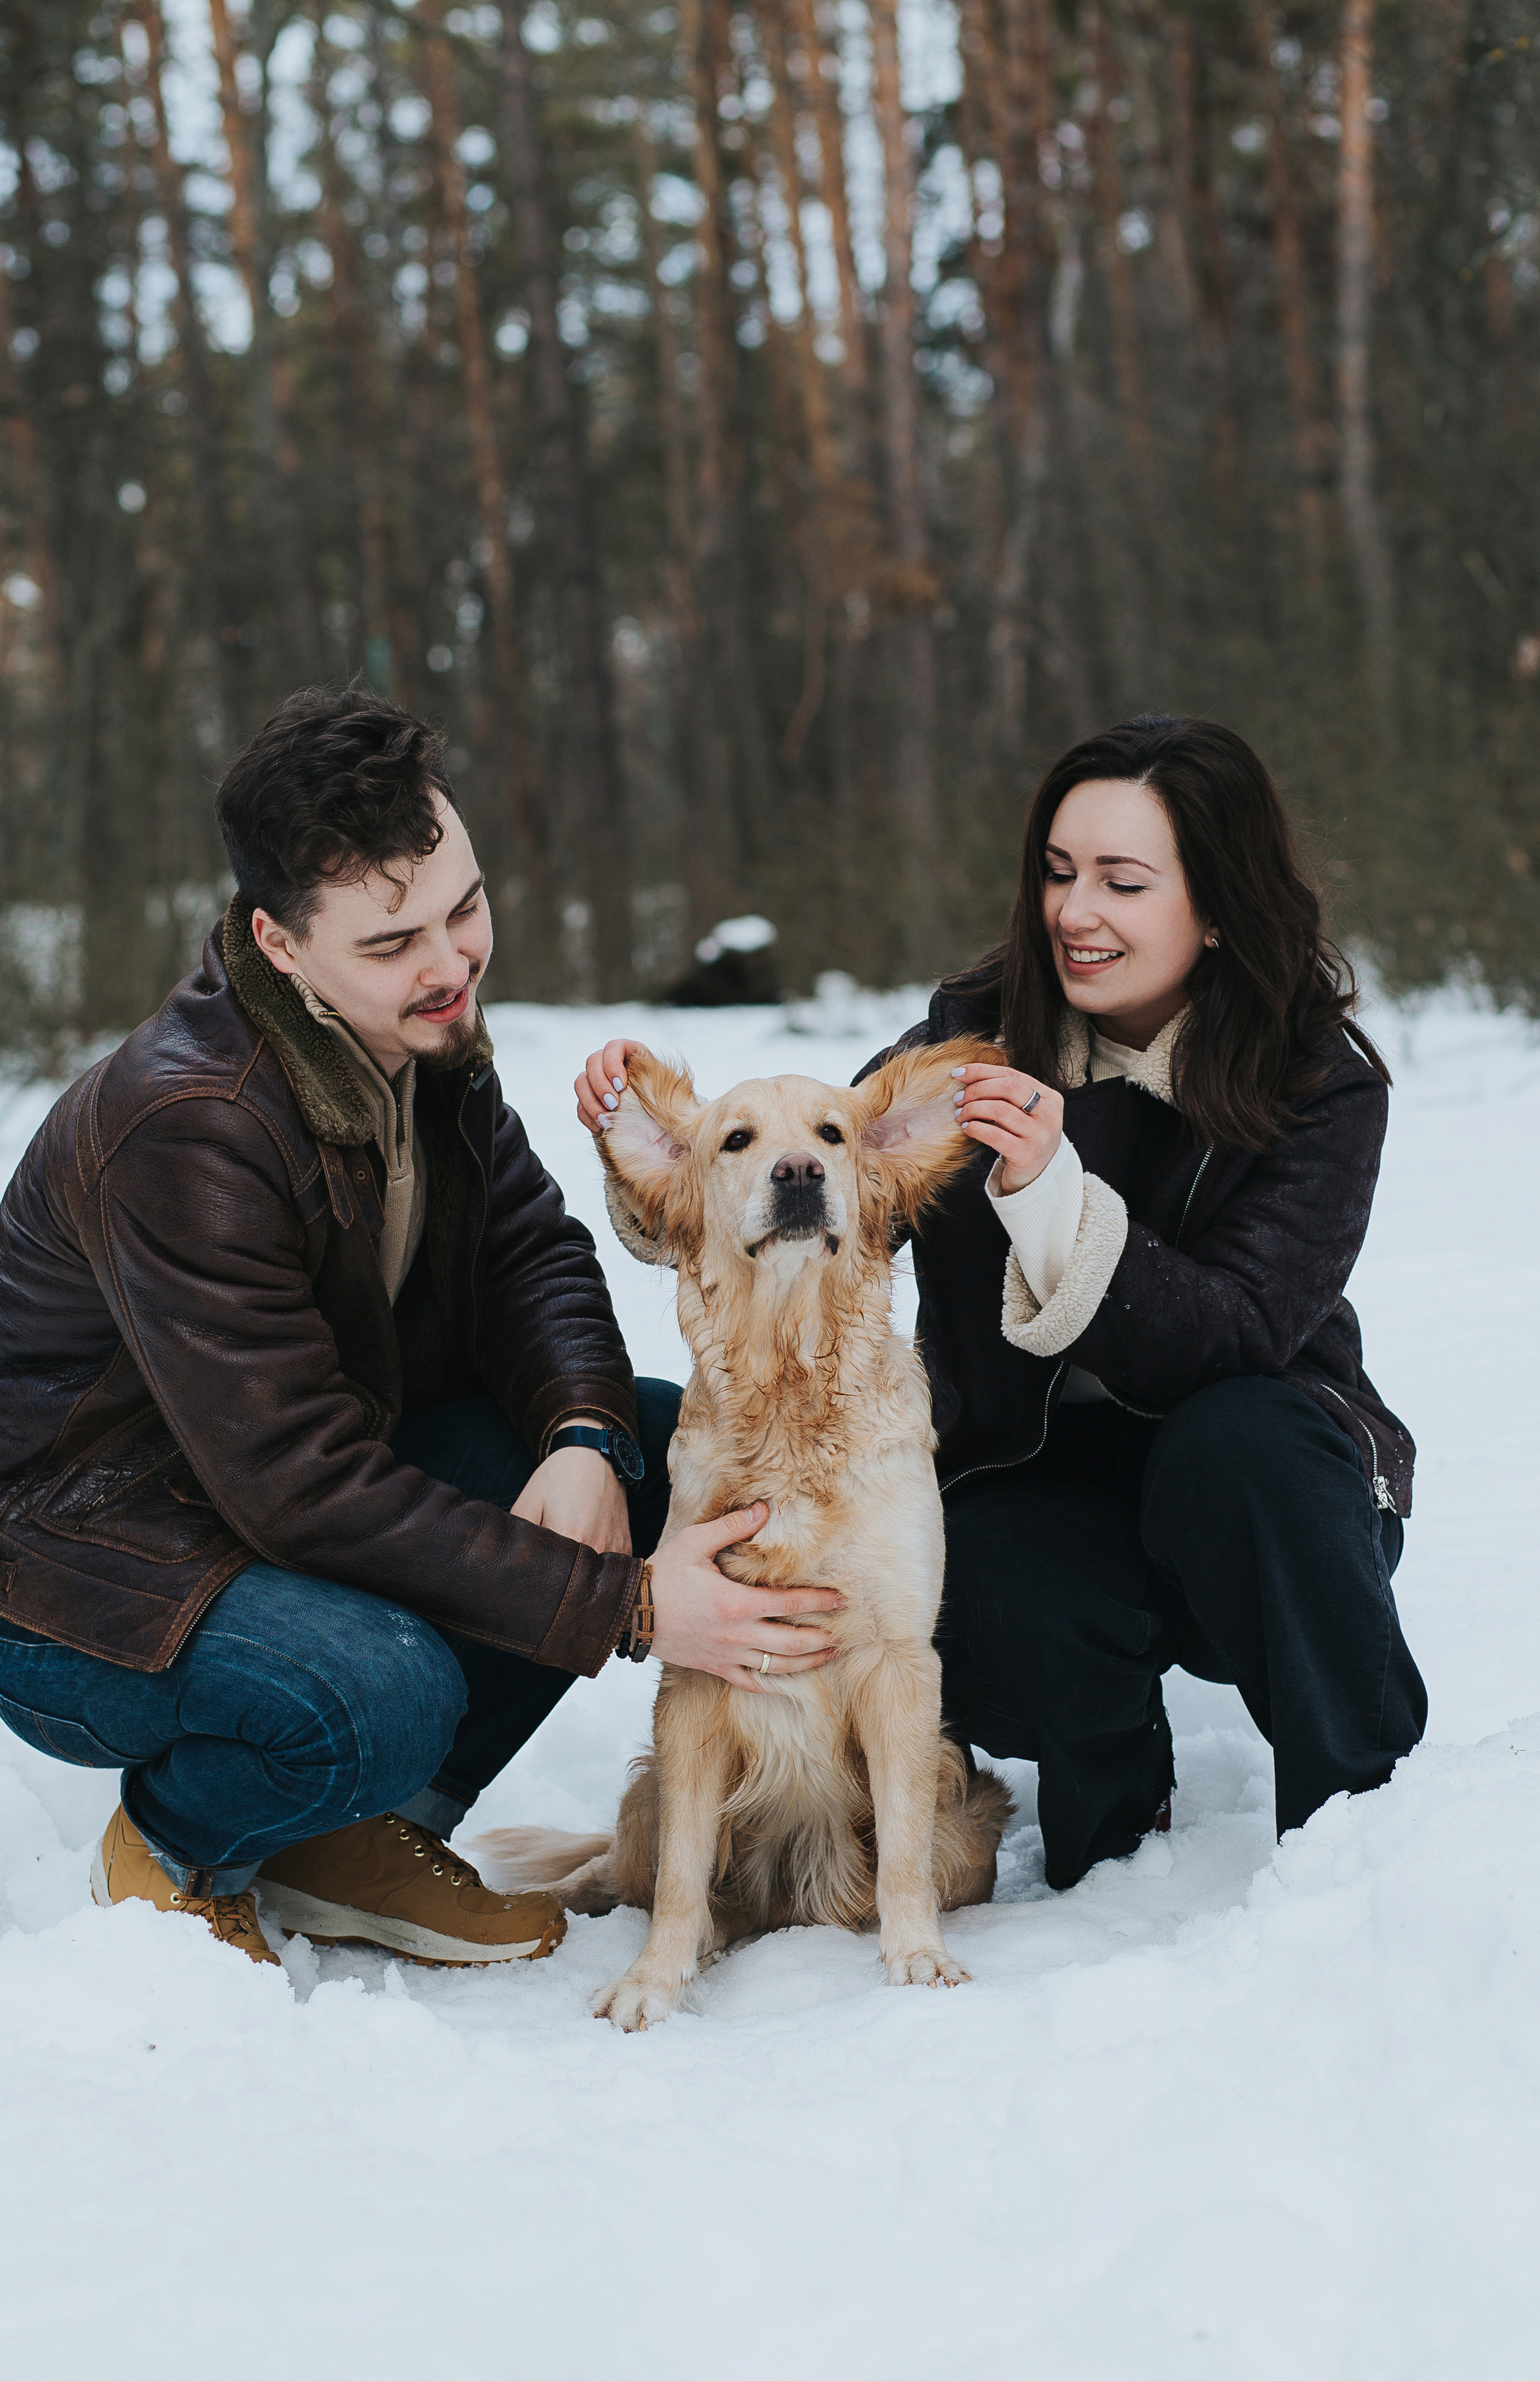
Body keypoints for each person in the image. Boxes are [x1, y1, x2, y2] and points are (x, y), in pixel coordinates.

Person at [0, 686, 842, 1970]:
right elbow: (300, 1487)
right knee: (380, 1690)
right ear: (279, 946)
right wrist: (624, 1608)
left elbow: (529, 1253)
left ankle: (360, 1834)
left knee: (644, 1444)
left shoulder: (422, 1031)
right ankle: (176, 1852)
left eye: (464, 908)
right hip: (82, 1574)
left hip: (276, 1493)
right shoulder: (190, 1128)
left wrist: (578, 1440)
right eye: (394, 939)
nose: (451, 963)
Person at [575, 714, 1426, 1889]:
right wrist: (661, 1170)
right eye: (1059, 874)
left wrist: (1052, 1197)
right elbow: (816, 1167)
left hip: (1258, 1488)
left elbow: (1238, 1335)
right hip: (1039, 1469)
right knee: (998, 1571)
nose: (1077, 913)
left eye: (1125, 882)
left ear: (1219, 904)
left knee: (1248, 1443)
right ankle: (1110, 1844)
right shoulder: (973, 1037)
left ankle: (1363, 1827)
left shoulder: (1319, 1080)